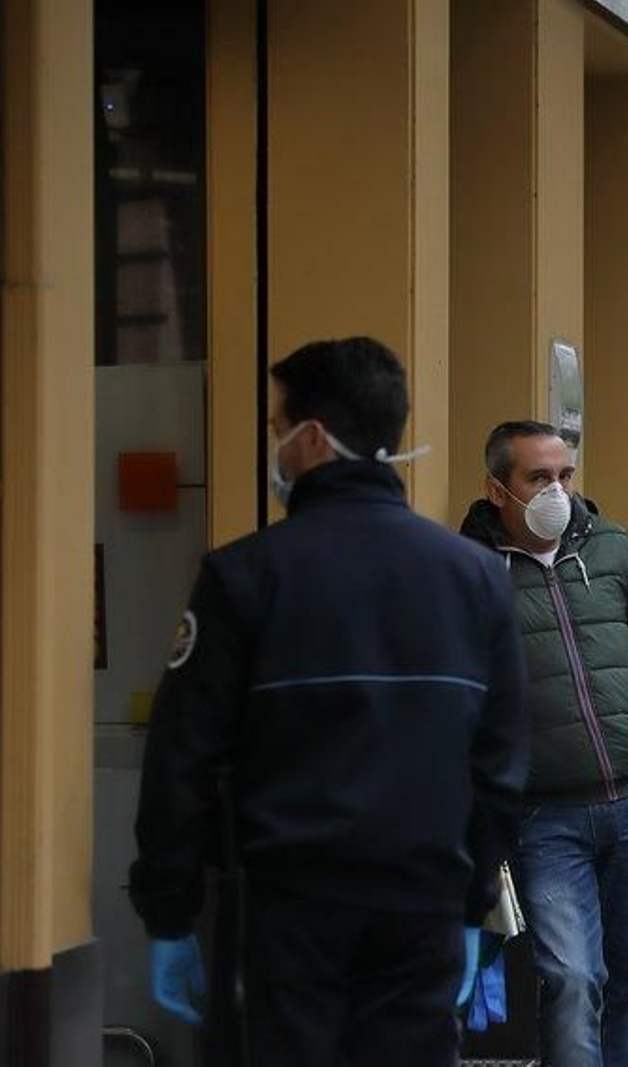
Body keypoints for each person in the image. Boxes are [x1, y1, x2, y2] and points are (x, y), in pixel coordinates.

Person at [130, 337, 531, 1065]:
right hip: (423, 909)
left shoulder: (244, 577)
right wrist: (472, 903)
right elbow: (500, 762)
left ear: (312, 437)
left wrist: (169, 909)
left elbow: (182, 757)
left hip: (286, 912)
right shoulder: (474, 578)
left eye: (278, 425)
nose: (276, 444)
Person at [460, 420, 628, 1067]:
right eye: (538, 478)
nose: (558, 491)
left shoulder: (607, 545)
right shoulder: (469, 572)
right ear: (498, 488)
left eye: (566, 475)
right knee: (572, 979)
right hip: (544, 814)